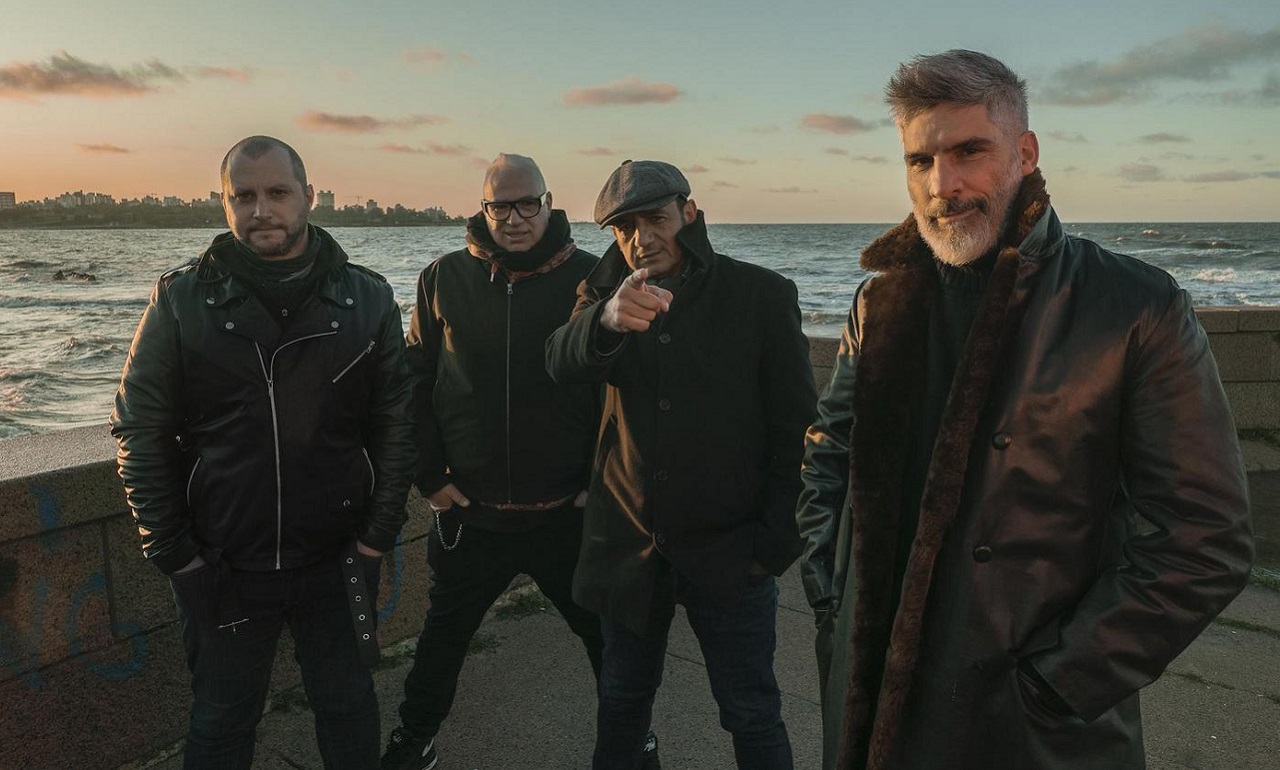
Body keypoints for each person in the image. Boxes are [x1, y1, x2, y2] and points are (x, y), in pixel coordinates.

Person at [796, 50, 1255, 770]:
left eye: (969, 151)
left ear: (1026, 152)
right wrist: (830, 595)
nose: (942, 184)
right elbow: (829, 451)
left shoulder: (1132, 306)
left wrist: (1056, 684)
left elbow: (1205, 537)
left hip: (1028, 724)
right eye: (920, 160)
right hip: (872, 694)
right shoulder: (878, 301)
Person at [110, 135, 416, 770]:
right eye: (243, 196)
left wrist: (376, 538)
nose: (261, 210)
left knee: (349, 707)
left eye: (277, 192)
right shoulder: (180, 300)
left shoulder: (368, 299)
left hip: (338, 557)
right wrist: (175, 553)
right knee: (222, 721)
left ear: (308, 196)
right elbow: (138, 428)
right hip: (223, 565)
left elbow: (396, 426)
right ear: (224, 203)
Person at [547, 160, 818, 770]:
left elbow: (799, 432)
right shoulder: (603, 292)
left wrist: (772, 547)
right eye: (624, 228)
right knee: (621, 702)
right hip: (628, 547)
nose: (641, 238)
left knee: (751, 711)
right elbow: (559, 361)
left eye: (656, 219)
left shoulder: (762, 295)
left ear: (689, 213)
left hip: (731, 549)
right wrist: (606, 322)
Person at [381, 153, 613, 770]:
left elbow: (619, 391)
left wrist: (599, 481)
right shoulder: (442, 278)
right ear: (483, 207)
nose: (514, 219)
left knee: (608, 640)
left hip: (566, 513)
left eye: (526, 203)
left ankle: (633, 744)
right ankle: (413, 740)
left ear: (548, 201)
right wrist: (429, 477)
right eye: (499, 206)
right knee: (442, 640)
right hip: (472, 515)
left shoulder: (592, 277)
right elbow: (413, 382)